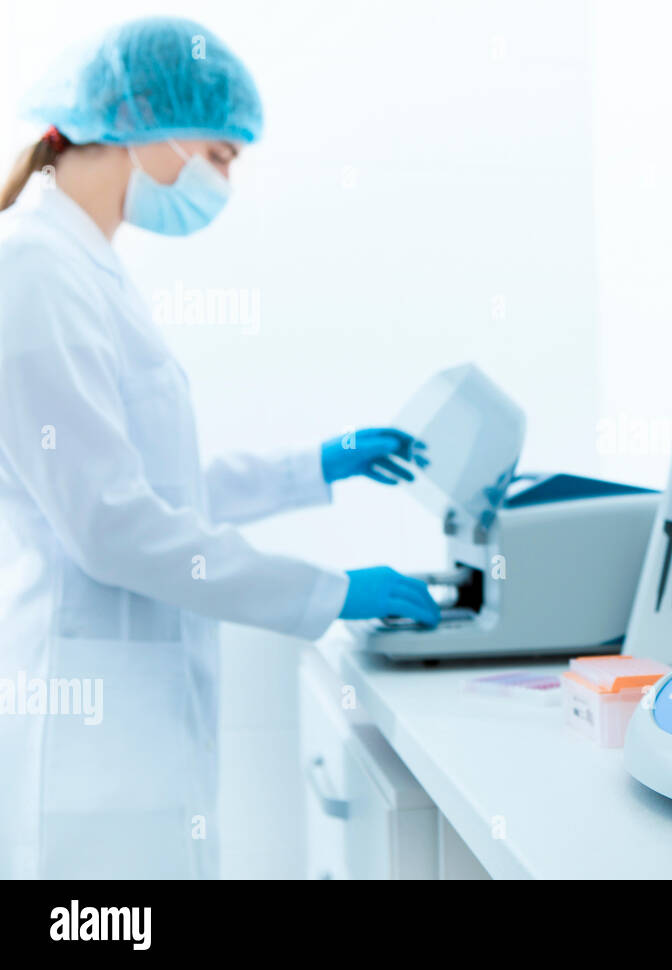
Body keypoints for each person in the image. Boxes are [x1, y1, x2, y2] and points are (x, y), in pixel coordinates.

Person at [0, 17, 440, 879]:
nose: (222, 181)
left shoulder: (83, 269)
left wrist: (314, 464)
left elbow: (151, 489)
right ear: (139, 120)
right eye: (222, 155)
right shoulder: (37, 274)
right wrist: (330, 590)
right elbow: (112, 527)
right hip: (86, 721)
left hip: (132, 709)